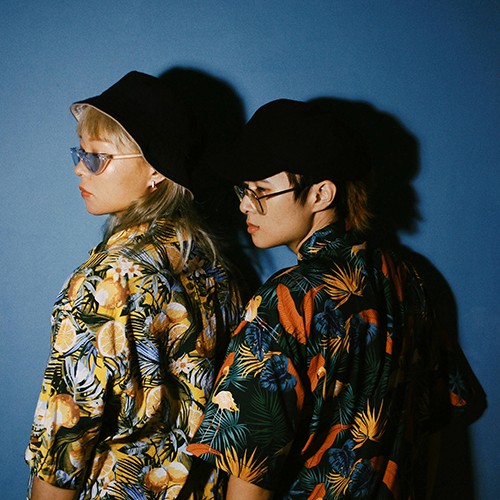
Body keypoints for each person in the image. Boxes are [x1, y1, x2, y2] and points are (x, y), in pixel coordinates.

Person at [187, 99, 475, 498]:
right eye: (243, 189)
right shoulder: (408, 279)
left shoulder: (285, 300)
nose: (243, 204)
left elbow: (249, 469)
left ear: (321, 194)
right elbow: (432, 427)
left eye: (261, 191)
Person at [25, 71, 241, 499]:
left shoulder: (106, 280)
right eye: (80, 152)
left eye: (96, 157)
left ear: (155, 170)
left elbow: (65, 442)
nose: (79, 167)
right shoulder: (209, 261)